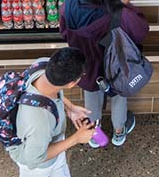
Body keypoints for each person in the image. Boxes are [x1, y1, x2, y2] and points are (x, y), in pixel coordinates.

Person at [59, 0, 149, 147]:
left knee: (91, 100)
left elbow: (64, 33)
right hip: (116, 67)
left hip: (85, 67)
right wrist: (126, 4)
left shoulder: (68, 5)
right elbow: (142, 30)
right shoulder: (119, 14)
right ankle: (118, 132)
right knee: (119, 97)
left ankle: (95, 136)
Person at [8, 47, 95, 177]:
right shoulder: (39, 120)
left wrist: (70, 108)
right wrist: (76, 138)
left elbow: (52, 91)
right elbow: (34, 159)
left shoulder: (42, 65)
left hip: (52, 146)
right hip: (39, 167)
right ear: (71, 84)